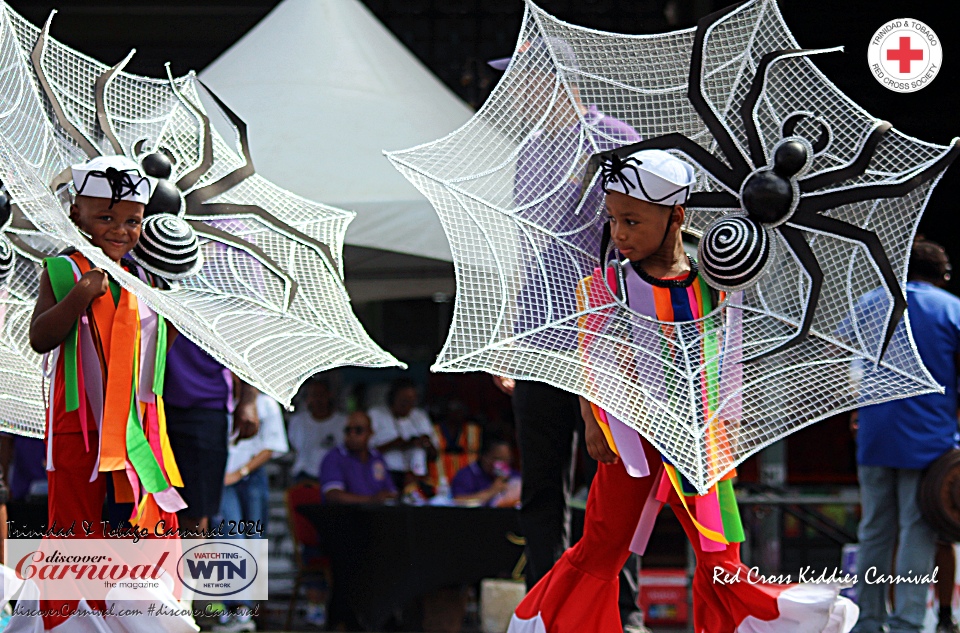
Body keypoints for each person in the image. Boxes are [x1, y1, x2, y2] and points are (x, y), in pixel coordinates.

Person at [508, 150, 856, 633]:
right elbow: (589, 356)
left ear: (677, 215)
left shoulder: (715, 283)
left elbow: (729, 355)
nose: (620, 233)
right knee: (602, 545)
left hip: (701, 439)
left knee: (720, 553)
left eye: (631, 220)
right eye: (612, 220)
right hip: (629, 440)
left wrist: (728, 426)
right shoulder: (607, 283)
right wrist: (591, 420)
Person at [488, 38, 647, 630]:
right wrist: (508, 336)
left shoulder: (615, 138)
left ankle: (621, 610)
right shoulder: (528, 151)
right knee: (542, 483)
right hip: (539, 329)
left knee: (615, 475)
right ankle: (545, 610)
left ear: (559, 82)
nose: (516, 92)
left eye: (525, 80)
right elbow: (526, 247)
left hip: (606, 326)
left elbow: (633, 235)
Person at [23, 156, 189, 631]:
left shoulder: (148, 280)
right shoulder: (61, 269)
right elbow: (40, 338)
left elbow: (158, 355)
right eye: (106, 217)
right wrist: (78, 299)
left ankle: (157, 615)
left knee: (153, 514)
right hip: (77, 421)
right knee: (74, 522)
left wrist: (169, 308)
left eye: (132, 220)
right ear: (75, 212)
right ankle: (71, 620)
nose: (120, 230)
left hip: (140, 425)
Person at [850, 239, 960, 633]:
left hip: (874, 434)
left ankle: (868, 619)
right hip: (930, 440)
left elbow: (847, 362)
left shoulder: (869, 302)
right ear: (942, 276)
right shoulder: (952, 309)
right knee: (917, 530)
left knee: (875, 531)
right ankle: (908, 622)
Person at [164, 336, 260, 534]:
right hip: (144, 402)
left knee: (196, 510)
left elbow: (246, 339)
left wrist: (249, 400)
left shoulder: (226, 303)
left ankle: (190, 564)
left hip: (204, 404)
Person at [213, 393, 289, 633]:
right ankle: (235, 607)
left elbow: (273, 446)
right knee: (230, 535)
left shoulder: (265, 400)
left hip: (250, 475)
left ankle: (246, 609)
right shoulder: (220, 395)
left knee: (254, 538)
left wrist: (242, 471)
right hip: (223, 475)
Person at [369, 378, 436, 491]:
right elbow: (367, 452)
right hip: (385, 475)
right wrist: (398, 444)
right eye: (403, 400)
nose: (408, 404)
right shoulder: (375, 415)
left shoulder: (420, 416)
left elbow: (434, 455)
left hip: (415, 477)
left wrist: (426, 443)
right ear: (392, 398)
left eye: (412, 400)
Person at [320, 410, 397, 504]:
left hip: (376, 515)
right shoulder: (334, 457)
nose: (352, 434)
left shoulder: (376, 457)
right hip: (345, 515)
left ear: (370, 433)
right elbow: (333, 495)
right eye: (348, 430)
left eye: (358, 430)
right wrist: (372, 500)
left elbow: (390, 492)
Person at [287, 379, 346, 483]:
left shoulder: (343, 421)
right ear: (307, 399)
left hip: (335, 475)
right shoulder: (298, 421)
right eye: (313, 395)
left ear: (329, 395)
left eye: (321, 394)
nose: (318, 399)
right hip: (303, 474)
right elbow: (294, 445)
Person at [451, 436, 520, 507]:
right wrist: (492, 491)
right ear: (484, 457)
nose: (503, 464)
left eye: (507, 459)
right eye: (499, 459)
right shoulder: (465, 475)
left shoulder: (514, 475)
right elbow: (458, 502)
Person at [429, 399, 482, 490]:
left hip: (467, 480)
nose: (456, 414)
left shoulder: (472, 430)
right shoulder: (433, 430)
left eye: (459, 411)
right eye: (453, 411)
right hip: (439, 479)